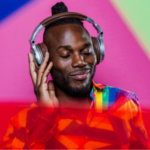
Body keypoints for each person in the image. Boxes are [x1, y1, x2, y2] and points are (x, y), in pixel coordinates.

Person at [1, 2, 149, 149]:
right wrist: (44, 120)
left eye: (86, 52)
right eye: (66, 55)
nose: (80, 62)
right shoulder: (23, 122)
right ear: (43, 60)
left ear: (97, 52)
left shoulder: (123, 103)